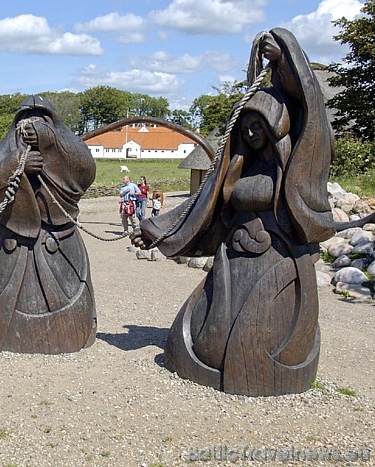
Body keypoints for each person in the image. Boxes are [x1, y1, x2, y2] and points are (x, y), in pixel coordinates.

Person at [131, 28, 335, 396]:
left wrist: (283, 52)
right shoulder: (235, 168)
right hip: (231, 260)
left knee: (263, 334)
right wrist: (155, 228)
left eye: (260, 126)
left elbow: (312, 107)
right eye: (247, 126)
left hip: (278, 259)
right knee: (211, 334)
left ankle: (260, 375)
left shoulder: (297, 171)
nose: (253, 133)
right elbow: (201, 203)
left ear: (278, 129)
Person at [0, 95, 97, 354]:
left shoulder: (67, 146)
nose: (30, 127)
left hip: (59, 237)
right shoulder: (8, 148)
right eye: (25, 122)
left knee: (68, 294)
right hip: (12, 241)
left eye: (40, 121)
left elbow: (85, 170)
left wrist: (50, 148)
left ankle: (68, 336)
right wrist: (16, 164)